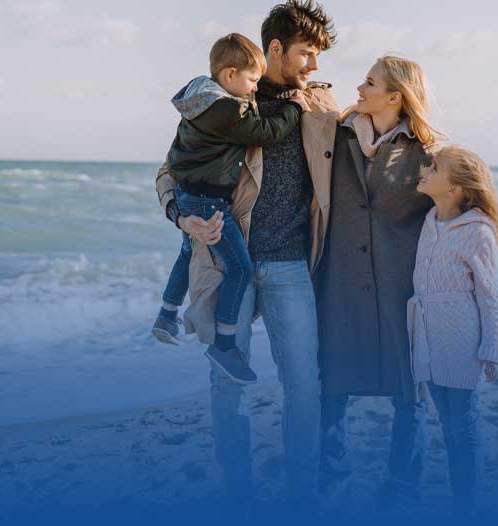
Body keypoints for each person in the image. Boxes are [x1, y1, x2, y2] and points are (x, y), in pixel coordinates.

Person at [154, 0, 338, 507]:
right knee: (225, 385)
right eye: (306, 54)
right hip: (223, 259)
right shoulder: (223, 100)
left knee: (304, 384)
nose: (314, 66)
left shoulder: (320, 107)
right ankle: (238, 493)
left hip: (289, 264)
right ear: (276, 48)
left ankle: (302, 495)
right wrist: (180, 216)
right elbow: (170, 171)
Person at [316, 56, 443, 501]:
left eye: (369, 82)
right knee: (331, 380)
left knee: (410, 388)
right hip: (339, 279)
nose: (359, 87)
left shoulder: (429, 152)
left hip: (401, 285)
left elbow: (451, 215)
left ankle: (403, 487)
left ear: (395, 95)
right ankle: (332, 479)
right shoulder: (335, 134)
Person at [152, 33, 309, 386]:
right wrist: (295, 107)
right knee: (240, 269)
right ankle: (224, 345)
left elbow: (175, 162)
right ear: (230, 75)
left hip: (192, 194)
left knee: (185, 253)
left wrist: (181, 207)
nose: (254, 89)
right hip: (209, 201)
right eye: (252, 80)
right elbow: (265, 132)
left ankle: (166, 314)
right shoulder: (228, 108)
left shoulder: (198, 102)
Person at [411, 144, 498, 511]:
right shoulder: (429, 220)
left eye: (434, 167)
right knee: (447, 423)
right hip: (427, 338)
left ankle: (468, 506)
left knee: (463, 426)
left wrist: (491, 349)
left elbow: (490, 296)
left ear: (453, 189)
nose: (426, 169)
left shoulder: (477, 232)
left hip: (462, 340)